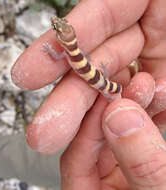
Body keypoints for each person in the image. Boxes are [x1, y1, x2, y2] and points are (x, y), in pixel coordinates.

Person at [11, 0, 166, 189]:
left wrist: (51, 50)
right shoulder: (75, 52)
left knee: (113, 97)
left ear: (63, 40)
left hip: (107, 87)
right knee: (111, 88)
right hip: (105, 81)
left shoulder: (68, 54)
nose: (56, 26)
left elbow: (57, 56)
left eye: (58, 29)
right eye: (57, 28)